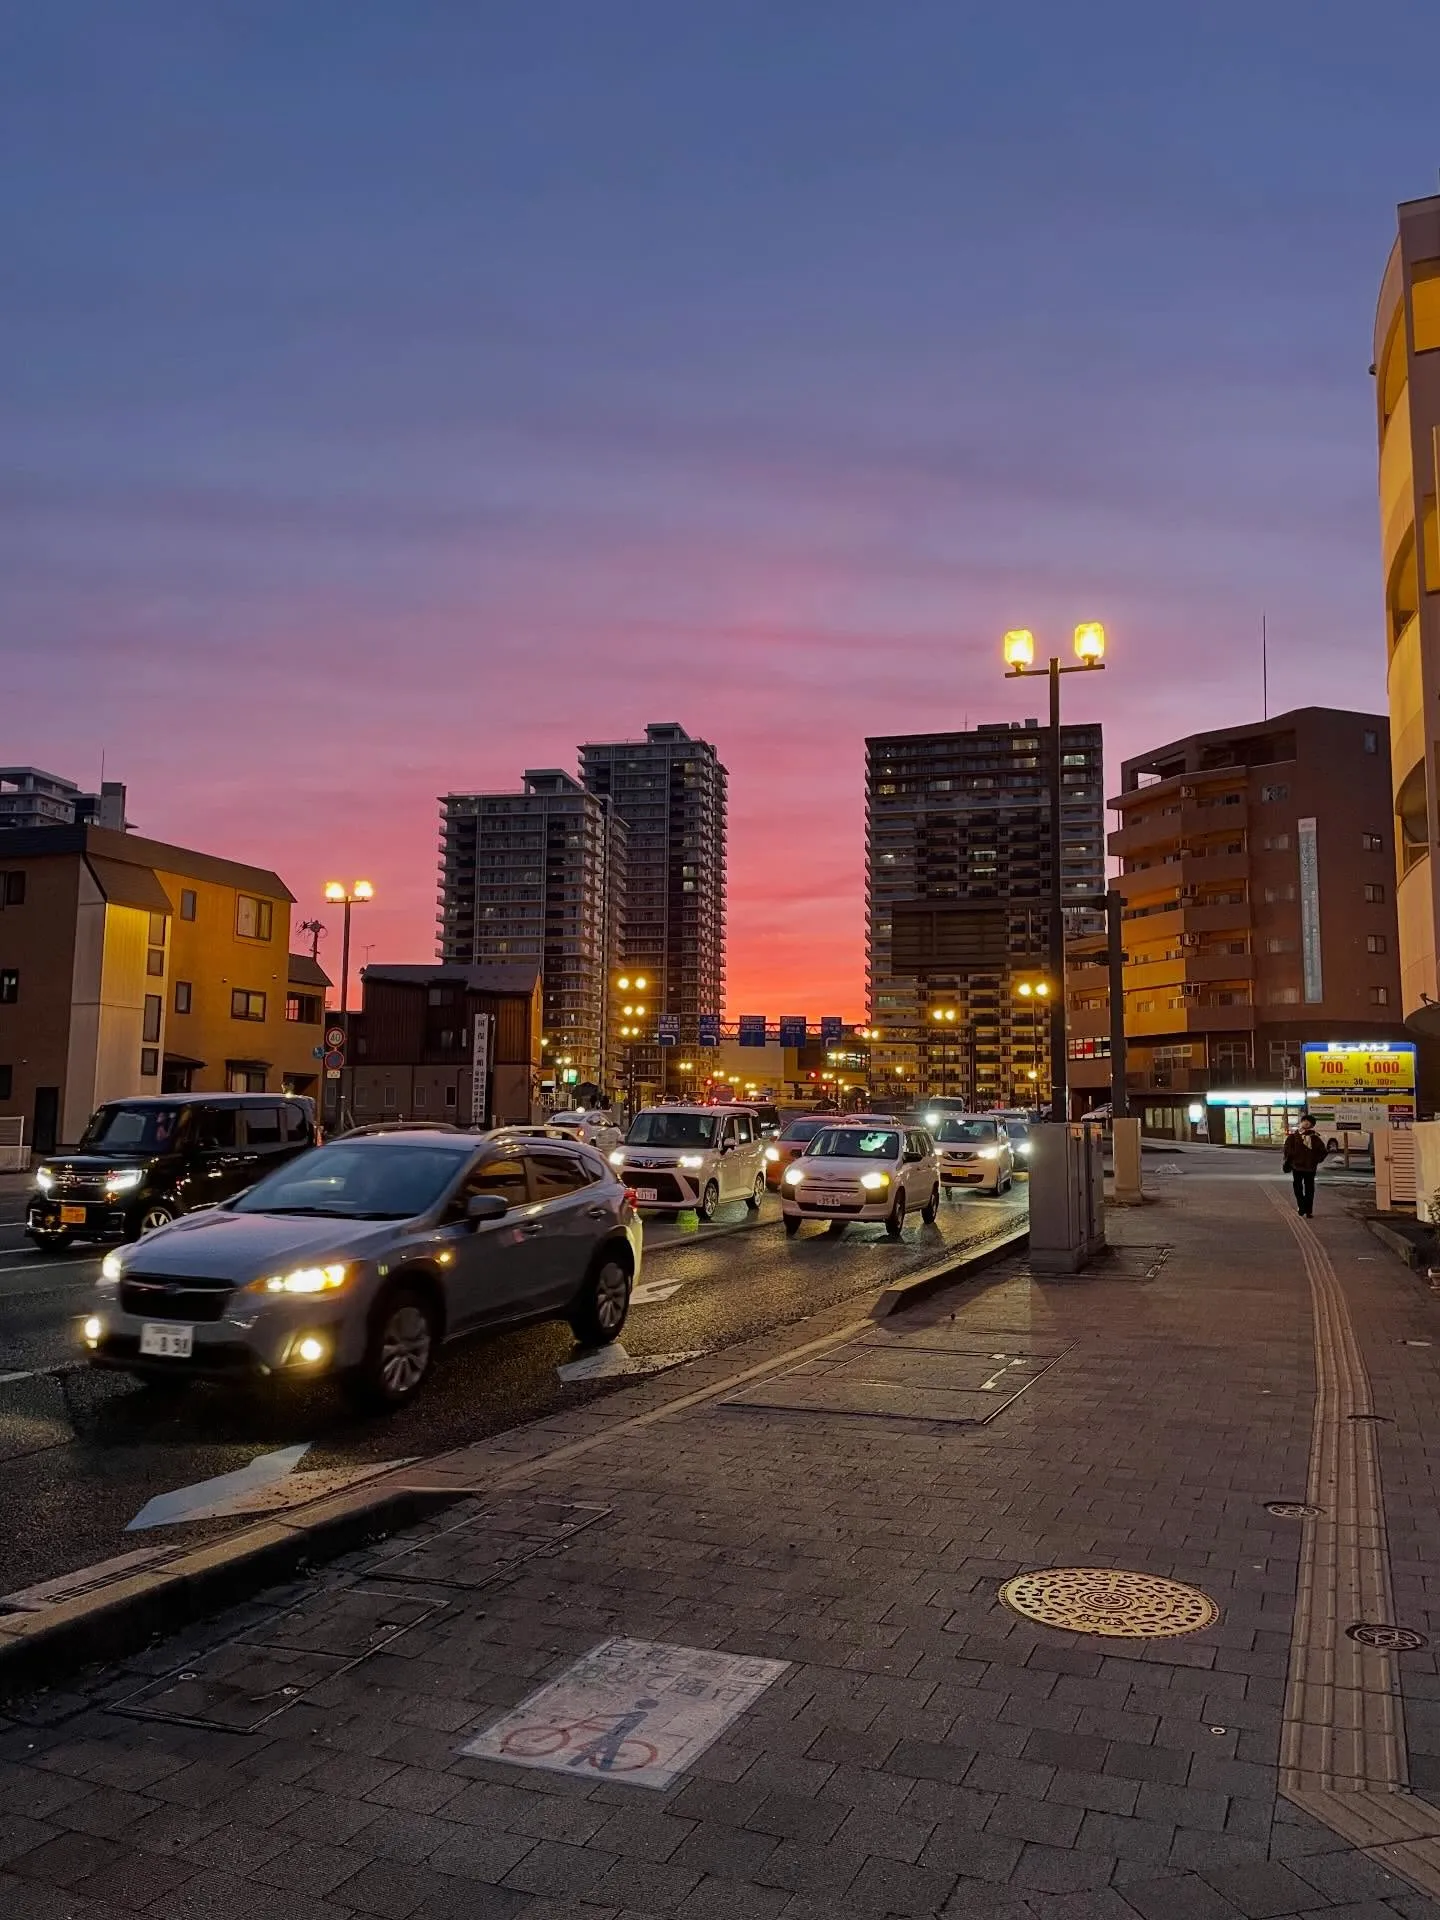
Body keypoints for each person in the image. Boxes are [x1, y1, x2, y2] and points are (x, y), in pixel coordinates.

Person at [1282, 1113, 1329, 1218]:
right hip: (1297, 1167)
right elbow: (1287, 1149)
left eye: (1309, 1122)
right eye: (1305, 1121)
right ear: (1301, 1122)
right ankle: (1301, 1205)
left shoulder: (1315, 1137)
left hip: (1310, 1168)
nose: (1306, 1123)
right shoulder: (1293, 1136)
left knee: (1309, 1189)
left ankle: (1309, 1210)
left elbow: (1323, 1151)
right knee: (1297, 1188)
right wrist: (1292, 1157)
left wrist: (1315, 1160)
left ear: (1312, 1125)